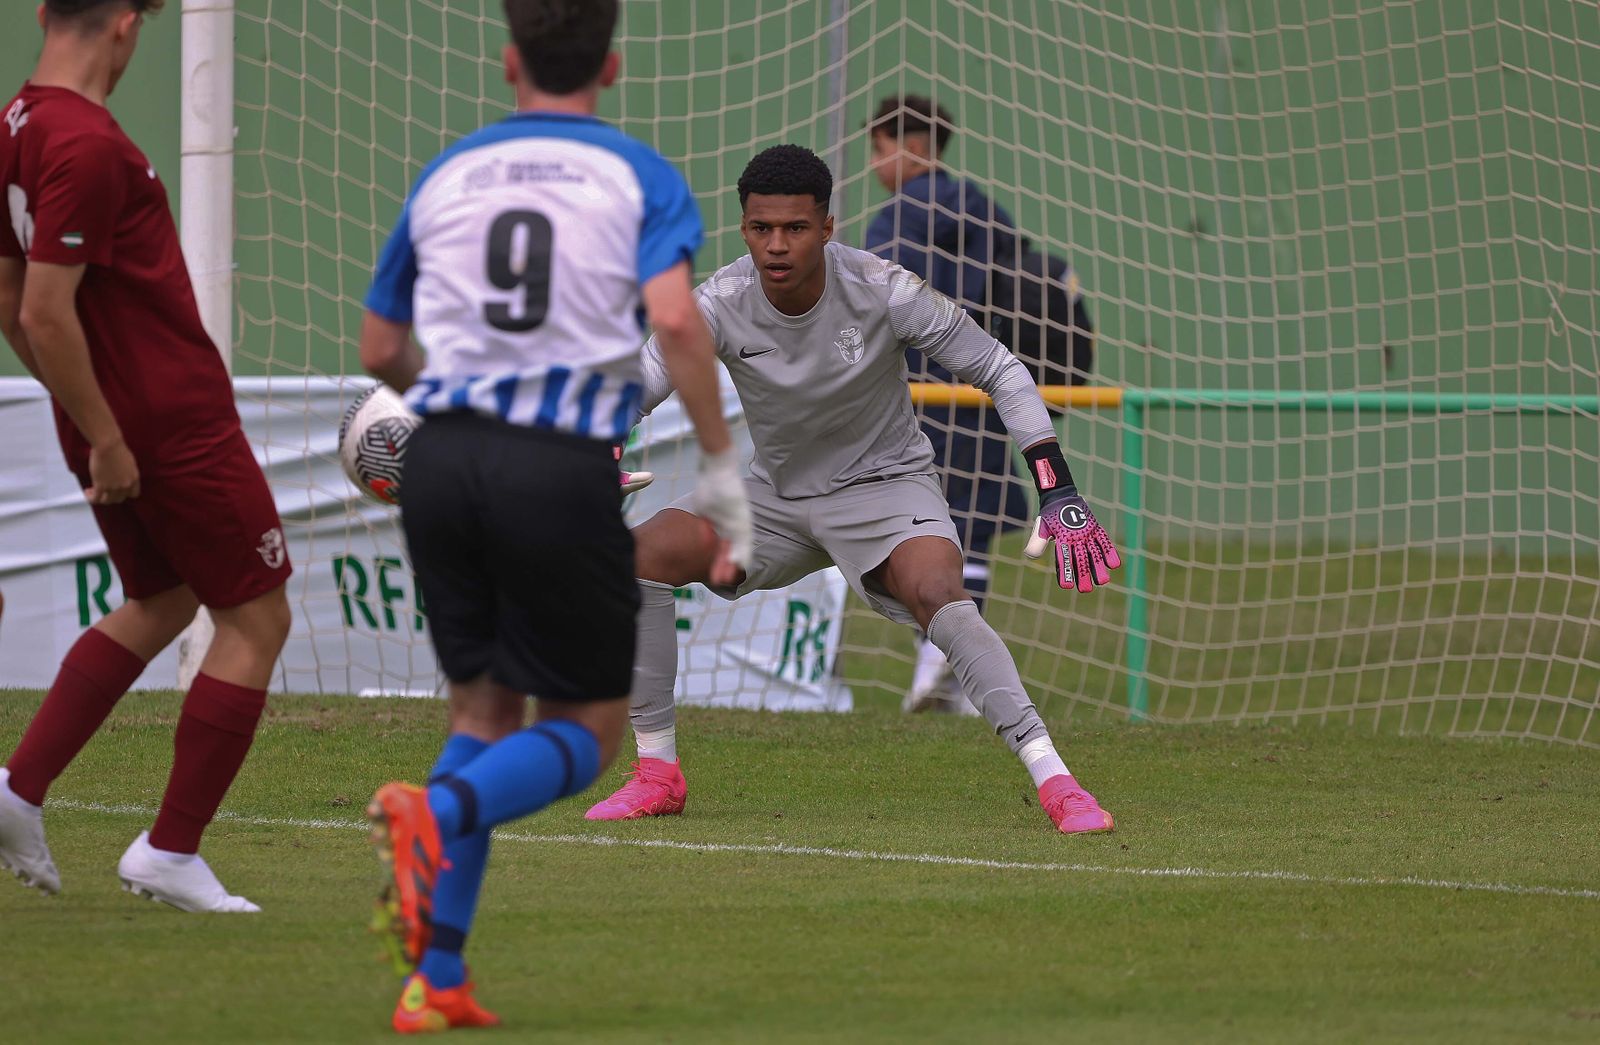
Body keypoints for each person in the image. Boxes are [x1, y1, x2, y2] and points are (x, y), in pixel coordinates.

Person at [356, 0, 752, 1032]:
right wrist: (717, 460)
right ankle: (431, 816)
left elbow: (376, 349)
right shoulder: (634, 176)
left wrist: (449, 393)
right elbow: (673, 318)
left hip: (442, 457)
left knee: (482, 714)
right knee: (591, 727)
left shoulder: (448, 174)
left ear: (507, 60)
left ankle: (436, 976)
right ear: (611, 65)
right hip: (554, 461)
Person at [584, 144, 1121, 837]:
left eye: (796, 228)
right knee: (639, 556)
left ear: (828, 226)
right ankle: (657, 775)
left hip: (886, 488)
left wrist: (1056, 485)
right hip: (773, 498)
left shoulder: (883, 286)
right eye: (761, 229)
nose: (777, 246)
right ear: (744, 228)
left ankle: (1058, 782)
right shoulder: (716, 302)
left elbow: (1001, 369)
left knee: (941, 597)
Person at [0, 0, 291, 913]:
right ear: (124, 23)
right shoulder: (84, 141)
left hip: (111, 414)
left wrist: (80, 409)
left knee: (162, 597)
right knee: (258, 618)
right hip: (168, 423)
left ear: (47, 11)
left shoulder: (14, 120)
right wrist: (115, 429)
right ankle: (169, 848)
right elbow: (43, 308)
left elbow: (10, 300)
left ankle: (17, 788)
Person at [865, 95, 1094, 715]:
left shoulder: (894, 220)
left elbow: (878, 307)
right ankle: (965, 678)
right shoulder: (987, 210)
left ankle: (938, 656)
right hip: (982, 392)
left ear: (905, 146)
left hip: (917, 398)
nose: (876, 165)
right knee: (973, 532)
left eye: (878, 151)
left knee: (916, 531)